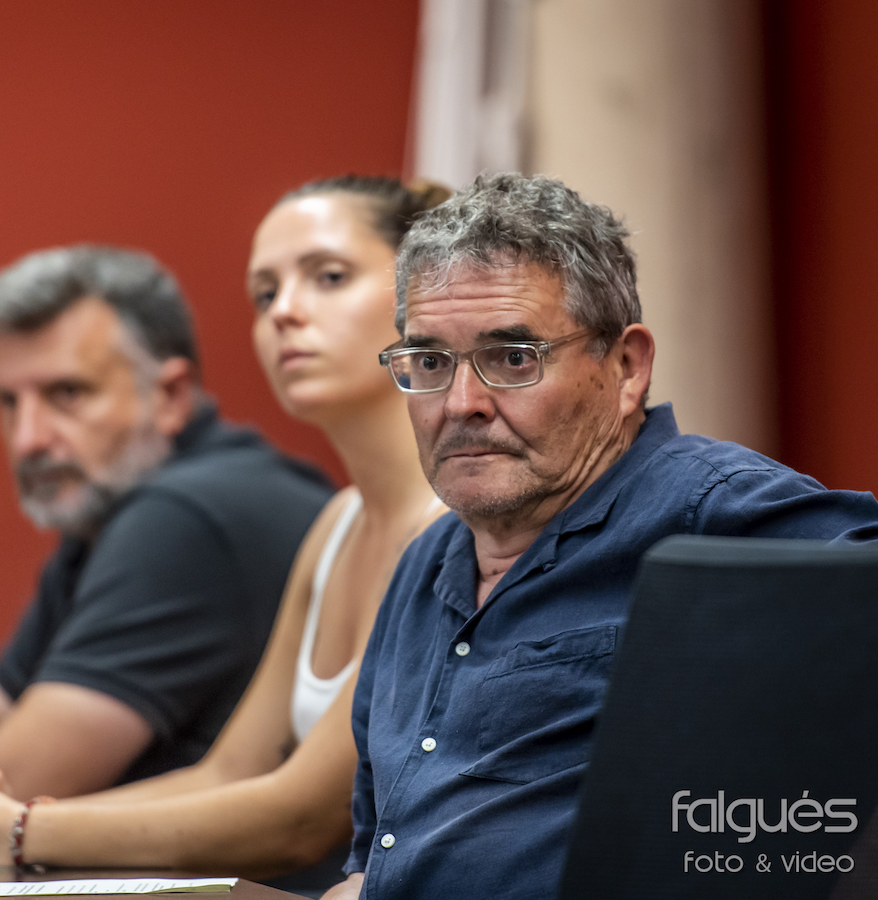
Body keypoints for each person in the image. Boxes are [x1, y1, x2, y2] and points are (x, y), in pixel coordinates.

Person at [0, 177, 450, 894]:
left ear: (428, 295)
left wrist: (21, 832)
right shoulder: (335, 526)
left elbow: (304, 816)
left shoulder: (452, 528)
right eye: (265, 293)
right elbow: (229, 771)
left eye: (329, 276)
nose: (284, 311)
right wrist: (5, 821)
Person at [329, 173, 878, 900]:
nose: (462, 404)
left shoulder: (710, 514)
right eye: (430, 362)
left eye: (513, 357)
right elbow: (374, 845)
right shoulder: (425, 564)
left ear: (626, 368)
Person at [0, 245, 333, 803]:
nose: (28, 440)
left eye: (67, 393)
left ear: (169, 396)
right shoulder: (110, 510)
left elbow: (0, 791)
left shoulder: (185, 517)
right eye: (8, 402)